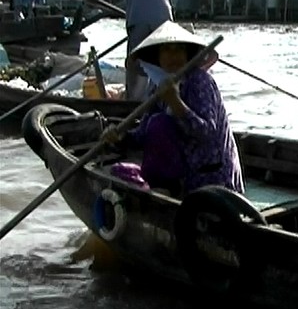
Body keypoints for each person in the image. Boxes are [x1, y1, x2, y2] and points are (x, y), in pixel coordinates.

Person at [103, 20, 244, 196]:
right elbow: (143, 134)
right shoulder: (159, 86)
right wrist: (118, 137)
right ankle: (165, 188)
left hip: (213, 180)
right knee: (155, 126)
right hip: (184, 176)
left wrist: (175, 102)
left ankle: (169, 191)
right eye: (166, 50)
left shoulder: (200, 81)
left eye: (179, 49)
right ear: (157, 57)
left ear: (188, 54)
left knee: (160, 123)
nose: (173, 55)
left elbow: (206, 132)